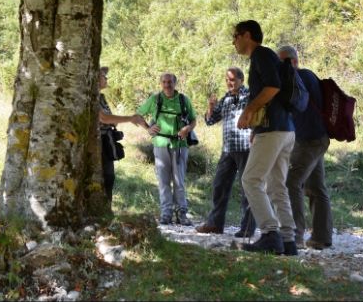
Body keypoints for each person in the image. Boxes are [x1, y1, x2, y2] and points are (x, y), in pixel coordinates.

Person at [233, 20, 298, 255]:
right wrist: (254, 128)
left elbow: (272, 88)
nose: (234, 41)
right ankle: (289, 241)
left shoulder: (261, 54)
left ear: (247, 35)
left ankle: (270, 234)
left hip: (273, 130)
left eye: (236, 36)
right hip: (285, 129)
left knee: (251, 180)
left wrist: (248, 110)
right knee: (277, 185)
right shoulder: (266, 57)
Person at [278, 45, 333, 250]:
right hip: (316, 139)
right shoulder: (307, 77)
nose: (278, 67)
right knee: (316, 187)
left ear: (293, 61)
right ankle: (322, 237)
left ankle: (295, 235)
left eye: (281, 62)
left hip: (310, 141)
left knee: (291, 181)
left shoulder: (300, 77)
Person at [195, 67, 257, 238]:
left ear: (241, 80)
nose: (229, 83)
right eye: (227, 80)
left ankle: (247, 228)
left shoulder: (251, 96)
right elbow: (210, 120)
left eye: (232, 79)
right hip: (228, 149)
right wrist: (211, 106)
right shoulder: (226, 98)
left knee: (248, 188)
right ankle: (215, 224)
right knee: (219, 186)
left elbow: (260, 115)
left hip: (246, 148)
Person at [136, 73, 197, 225]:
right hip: (160, 143)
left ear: (175, 83)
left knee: (179, 181)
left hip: (180, 145)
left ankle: (181, 214)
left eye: (170, 82)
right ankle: (166, 214)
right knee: (163, 181)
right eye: (164, 82)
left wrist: (187, 129)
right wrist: (148, 128)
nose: (167, 85)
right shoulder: (155, 99)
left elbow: (193, 120)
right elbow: (138, 115)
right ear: (160, 83)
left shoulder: (183, 100)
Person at [97, 66, 149, 203]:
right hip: (98, 143)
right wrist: (130, 118)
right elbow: (103, 118)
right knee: (104, 178)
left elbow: (108, 119)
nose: (106, 78)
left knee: (109, 177)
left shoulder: (101, 97)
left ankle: (106, 210)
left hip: (106, 141)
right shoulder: (91, 97)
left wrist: (114, 122)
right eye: (103, 76)